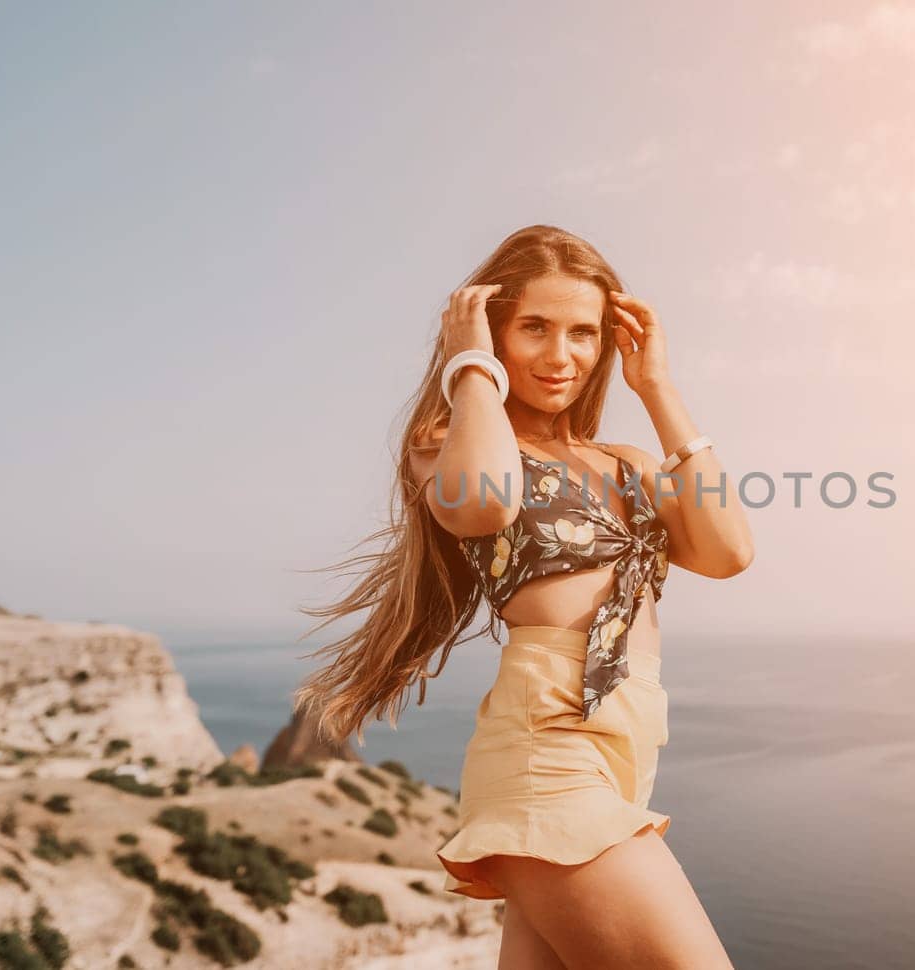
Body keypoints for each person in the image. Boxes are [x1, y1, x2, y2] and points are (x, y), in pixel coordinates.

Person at [294, 224, 754, 969]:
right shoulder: (448, 446)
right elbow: (483, 504)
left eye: (583, 332)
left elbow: (728, 550)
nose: (560, 355)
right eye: (533, 328)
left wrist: (658, 389)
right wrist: (468, 363)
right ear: (495, 331)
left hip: (627, 749)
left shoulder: (626, 461)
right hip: (547, 748)